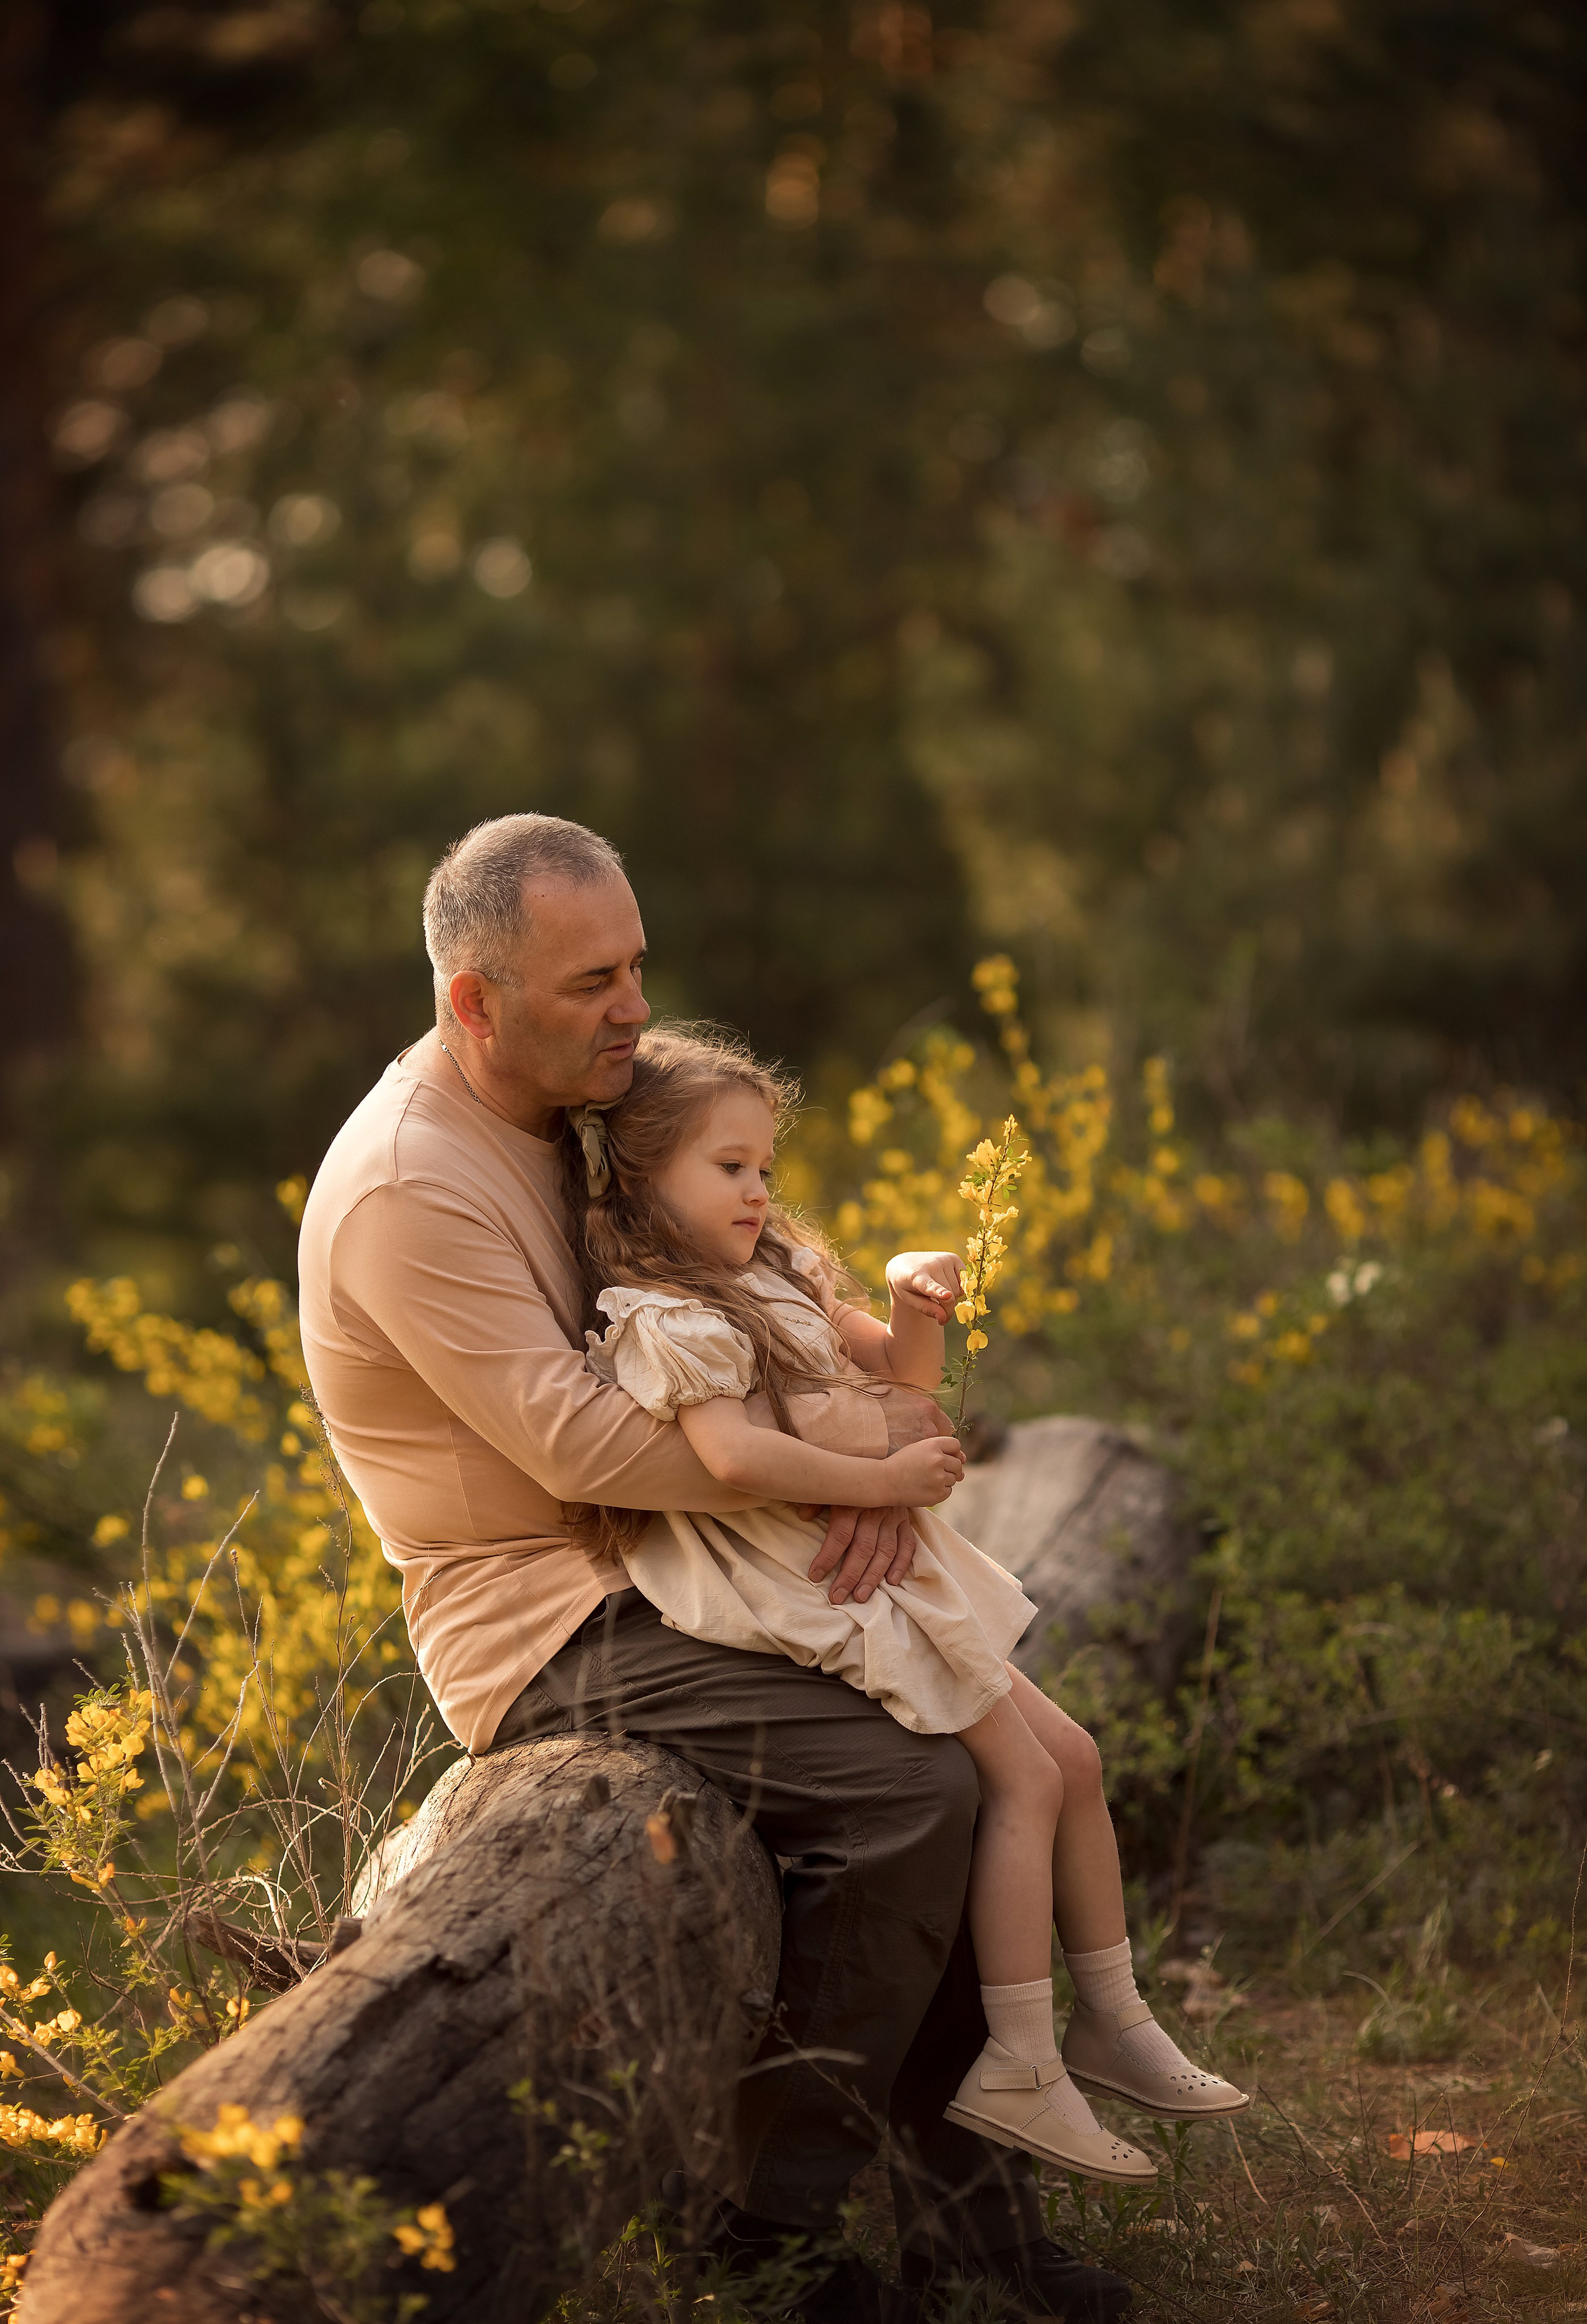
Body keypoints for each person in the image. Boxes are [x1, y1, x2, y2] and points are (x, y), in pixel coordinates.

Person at [298, 811, 1136, 2324]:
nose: (631, 1007)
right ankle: (764, 2229)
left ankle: (972, 2230)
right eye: (588, 981)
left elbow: (747, 1290)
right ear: (473, 1001)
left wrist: (861, 1466)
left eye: (635, 966)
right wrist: (844, 1480)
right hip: (553, 1610)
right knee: (911, 1792)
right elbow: (577, 1448)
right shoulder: (412, 1184)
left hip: (708, 1548)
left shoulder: (578, 1102)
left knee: (978, 1738)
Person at [564, 1024, 1250, 2189]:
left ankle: (1114, 2017)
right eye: (728, 1167)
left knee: (1073, 1758)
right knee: (1024, 1778)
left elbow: (907, 1378)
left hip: (887, 1562)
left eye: (765, 1167)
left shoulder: (774, 1275)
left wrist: (910, 1291)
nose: (757, 1190)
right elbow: (730, 1458)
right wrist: (881, 1482)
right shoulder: (665, 1317)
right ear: (642, 1176)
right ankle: (1023, 2063)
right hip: (822, 1583)